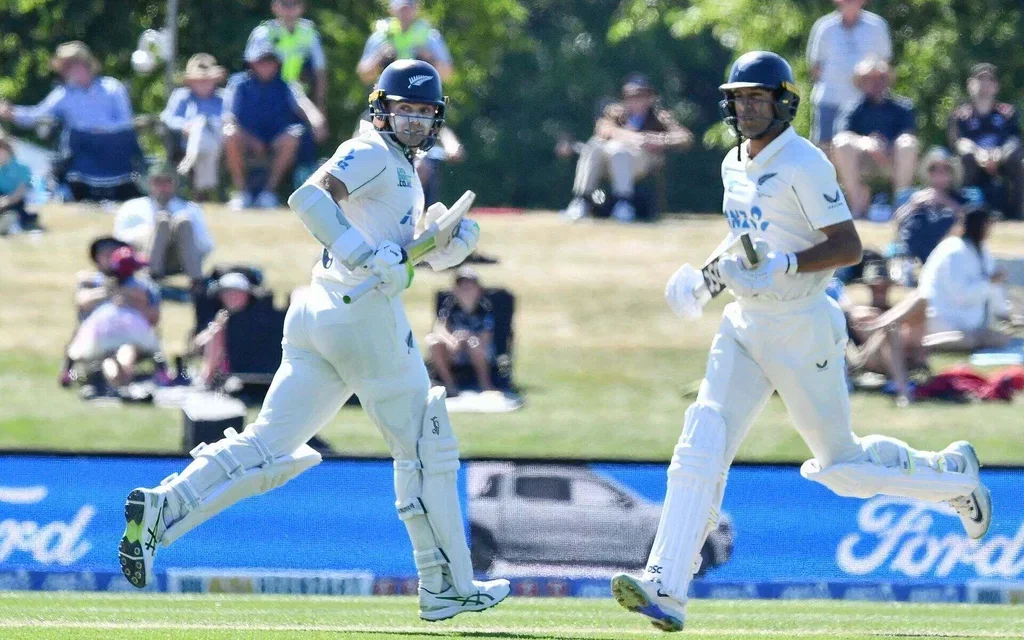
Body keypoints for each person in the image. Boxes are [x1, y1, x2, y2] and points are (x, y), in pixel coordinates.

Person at [612, 51, 991, 633]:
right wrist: (705, 282)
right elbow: (745, 239)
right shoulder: (732, 163)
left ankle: (951, 477)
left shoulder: (805, 163)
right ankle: (666, 586)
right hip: (745, 323)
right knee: (701, 440)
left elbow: (848, 246)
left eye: (757, 99)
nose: (746, 109)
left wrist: (788, 263)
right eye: (738, 99)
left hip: (802, 325)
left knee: (842, 469)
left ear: (784, 104)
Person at [118, 59, 509, 621]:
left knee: (269, 444)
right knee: (427, 444)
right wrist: (362, 254)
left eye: (426, 113)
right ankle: (446, 583)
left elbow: (398, 257)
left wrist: (446, 246)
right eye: (406, 111)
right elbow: (309, 197)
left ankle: (163, 505)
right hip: (360, 314)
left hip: (324, 315)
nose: (417, 122)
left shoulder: (400, 168)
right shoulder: (373, 150)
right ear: (381, 108)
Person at [0, 41, 143, 201]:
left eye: (69, 66)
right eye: (64, 67)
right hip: (83, 152)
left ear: (84, 64)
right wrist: (12, 113)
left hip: (114, 150)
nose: (66, 72)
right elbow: (36, 115)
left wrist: (102, 129)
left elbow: (126, 122)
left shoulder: (112, 87)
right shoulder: (63, 94)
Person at [564, 73, 694, 222]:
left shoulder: (659, 117)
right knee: (593, 147)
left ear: (650, 98)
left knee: (619, 152)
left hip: (640, 161)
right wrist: (633, 137)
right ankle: (582, 200)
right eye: (630, 97)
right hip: (609, 160)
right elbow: (603, 129)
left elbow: (685, 137)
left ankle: (623, 204)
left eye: (640, 96)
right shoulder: (615, 113)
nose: (635, 101)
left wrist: (659, 139)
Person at [223, 37, 327, 211]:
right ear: (252, 63)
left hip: (276, 139)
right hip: (246, 138)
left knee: (293, 136)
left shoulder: (286, 85)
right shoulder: (238, 84)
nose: (266, 65)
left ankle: (268, 193)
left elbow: (304, 105)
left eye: (270, 61)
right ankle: (242, 193)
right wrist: (251, 139)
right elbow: (228, 117)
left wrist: (318, 122)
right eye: (261, 61)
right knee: (230, 133)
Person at [832, 57, 919, 219]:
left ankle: (901, 207)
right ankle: (857, 205)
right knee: (842, 143)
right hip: (864, 162)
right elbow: (841, 135)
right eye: (869, 79)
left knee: (908, 144)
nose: (875, 82)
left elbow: (909, 134)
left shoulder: (903, 107)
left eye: (880, 78)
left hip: (893, 160)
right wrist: (866, 143)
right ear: (861, 82)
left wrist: (887, 146)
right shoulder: (852, 109)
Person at [918, 204, 1013, 352]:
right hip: (945, 319)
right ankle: (925, 344)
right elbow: (961, 294)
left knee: (1001, 338)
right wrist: (989, 283)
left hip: (968, 322)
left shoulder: (981, 250)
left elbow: (993, 288)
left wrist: (1005, 314)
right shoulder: (953, 251)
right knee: (970, 340)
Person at [112, 163, 214, 294]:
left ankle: (197, 281)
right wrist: (152, 232)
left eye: (167, 182)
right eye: (157, 182)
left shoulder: (190, 209)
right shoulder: (132, 207)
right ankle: (151, 276)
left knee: (183, 221)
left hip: (179, 259)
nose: (162, 187)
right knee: (162, 221)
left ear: (174, 184)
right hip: (144, 255)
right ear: (149, 184)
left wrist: (179, 238)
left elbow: (206, 244)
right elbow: (119, 239)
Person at [838, 262, 928, 407]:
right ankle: (903, 393)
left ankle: (904, 375)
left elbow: (922, 299)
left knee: (919, 299)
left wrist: (890, 319)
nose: (880, 290)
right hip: (869, 358)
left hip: (904, 353)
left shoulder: (895, 311)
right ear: (868, 287)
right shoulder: (861, 312)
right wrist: (889, 323)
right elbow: (864, 326)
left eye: (884, 285)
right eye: (875, 286)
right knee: (891, 329)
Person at [806, 0, 891, 153]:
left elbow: (884, 64)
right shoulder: (824, 27)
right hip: (830, 101)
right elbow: (815, 67)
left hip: (864, 105)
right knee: (824, 152)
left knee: (866, 153)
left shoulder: (877, 26)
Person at [948, 63, 1023, 220]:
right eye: (980, 79)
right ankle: (968, 211)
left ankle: (1017, 213)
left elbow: (1014, 140)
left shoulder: (1007, 113)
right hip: (972, 162)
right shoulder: (961, 115)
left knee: (1017, 157)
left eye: (989, 80)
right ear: (970, 85)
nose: (984, 85)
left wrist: (999, 153)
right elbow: (957, 142)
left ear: (996, 86)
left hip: (1001, 161)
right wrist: (978, 152)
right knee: (965, 156)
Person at [160, 54, 227, 200]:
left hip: (218, 142)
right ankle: (205, 189)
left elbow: (229, 119)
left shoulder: (223, 98)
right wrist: (185, 126)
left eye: (207, 80)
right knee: (199, 131)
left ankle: (196, 178)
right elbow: (168, 118)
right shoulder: (181, 97)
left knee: (204, 133)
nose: (203, 83)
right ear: (190, 82)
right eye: (199, 80)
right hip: (185, 141)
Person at [247, 0, 329, 115]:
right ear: (274, 7)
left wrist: (320, 103)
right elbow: (251, 70)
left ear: (302, 7)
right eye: (284, 3)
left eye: (295, 3)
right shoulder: (264, 33)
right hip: (267, 94)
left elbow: (320, 70)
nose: (289, 8)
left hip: (299, 95)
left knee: (315, 124)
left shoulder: (309, 33)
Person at [426, 267, 496, 395]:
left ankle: (485, 384)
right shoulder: (449, 305)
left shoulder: (484, 307)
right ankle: (450, 385)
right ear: (455, 290)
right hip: (454, 349)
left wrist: (467, 337)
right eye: (462, 287)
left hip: (479, 349)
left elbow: (486, 336)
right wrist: (451, 341)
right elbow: (439, 328)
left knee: (474, 344)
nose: (466, 291)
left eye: (470, 286)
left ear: (478, 290)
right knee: (434, 342)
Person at [892, 147, 964, 266]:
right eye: (934, 169)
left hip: (945, 250)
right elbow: (897, 221)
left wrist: (945, 201)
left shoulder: (960, 198)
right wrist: (913, 205)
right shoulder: (918, 196)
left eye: (945, 169)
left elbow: (970, 221)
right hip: (915, 247)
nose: (939, 175)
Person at [357, 0, 453, 85]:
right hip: (388, 96)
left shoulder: (430, 37)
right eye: (401, 8)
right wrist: (380, 58)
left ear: (417, 8)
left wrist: (430, 59)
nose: (405, 12)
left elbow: (448, 76)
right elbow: (364, 76)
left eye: (409, 7)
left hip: (421, 95)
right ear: (391, 9)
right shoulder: (382, 35)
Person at [0, 136, 40, 235]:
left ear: (7, 150)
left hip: (15, 203)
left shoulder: (22, 168)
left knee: (14, 214)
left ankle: (13, 224)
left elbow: (20, 193)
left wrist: (5, 202)